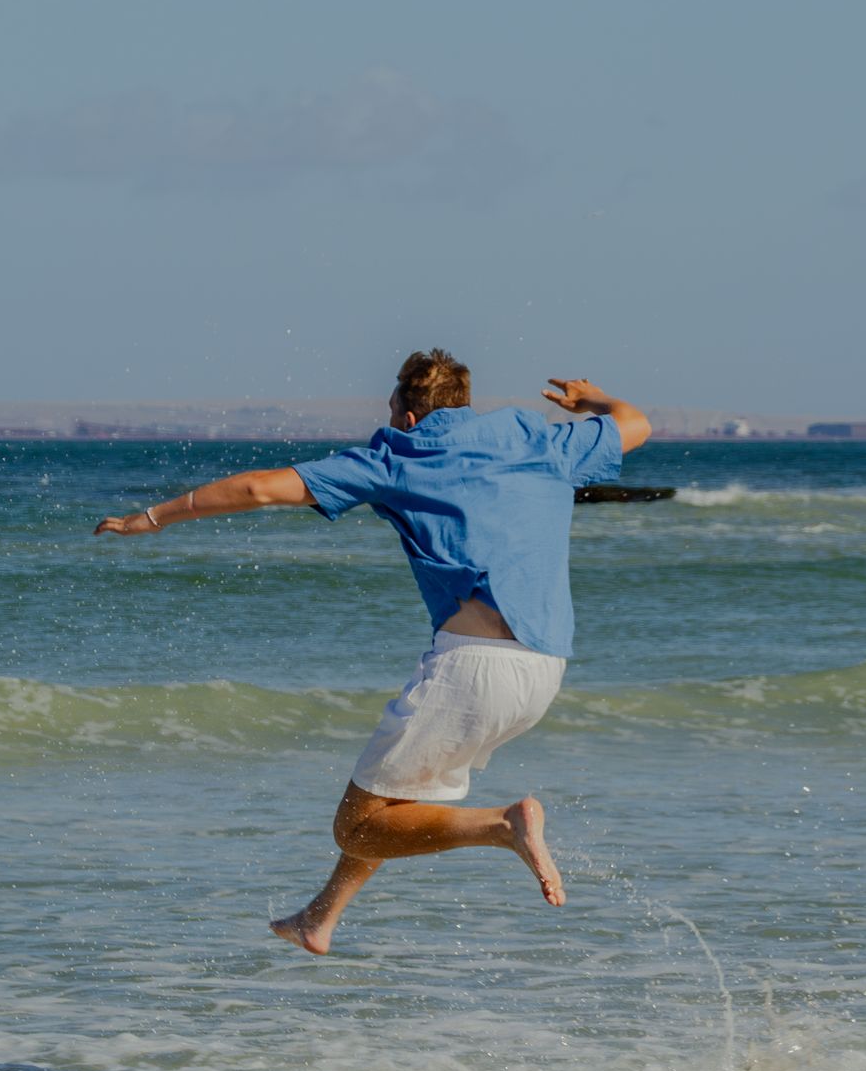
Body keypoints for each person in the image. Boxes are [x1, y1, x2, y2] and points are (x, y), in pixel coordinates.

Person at [95, 349, 651, 953]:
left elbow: (258, 487)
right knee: (393, 803)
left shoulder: (396, 456)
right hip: (543, 669)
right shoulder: (538, 440)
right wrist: (590, 399)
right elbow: (637, 423)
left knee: (355, 826)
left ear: (409, 415)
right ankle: (321, 917)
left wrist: (149, 518)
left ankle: (502, 826)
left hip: (474, 667)